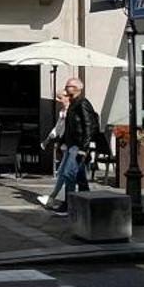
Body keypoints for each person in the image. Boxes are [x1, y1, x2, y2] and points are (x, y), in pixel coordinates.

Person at [41, 79, 100, 213]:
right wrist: (62, 142)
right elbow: (69, 127)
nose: (66, 88)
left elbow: (88, 126)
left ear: (77, 88)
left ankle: (69, 206)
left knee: (68, 173)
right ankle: (88, 204)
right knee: (79, 176)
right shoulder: (73, 104)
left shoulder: (82, 103)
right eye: (66, 86)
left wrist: (84, 148)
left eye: (69, 86)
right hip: (71, 144)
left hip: (77, 146)